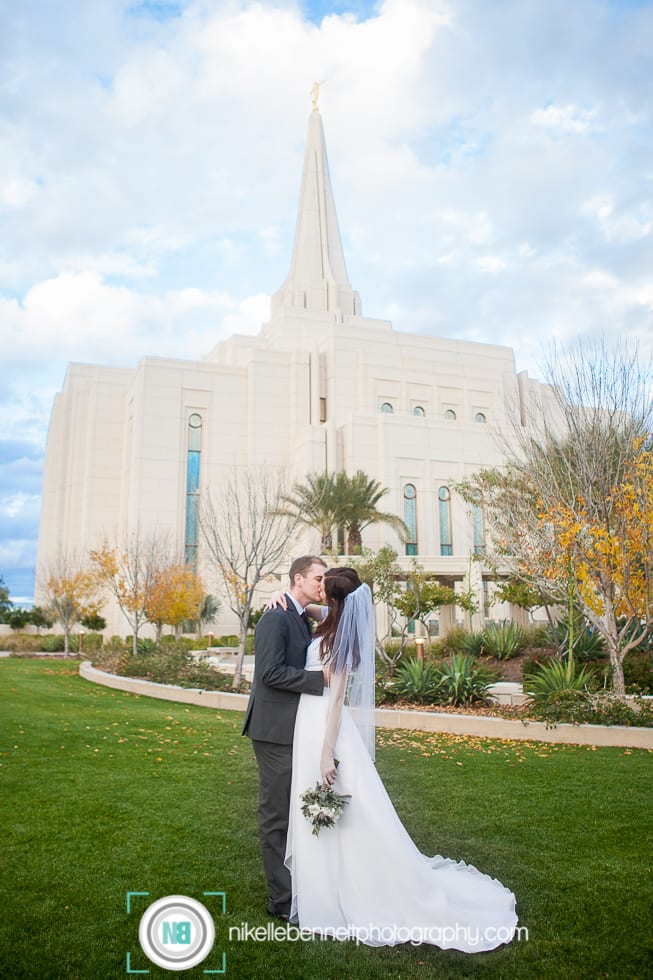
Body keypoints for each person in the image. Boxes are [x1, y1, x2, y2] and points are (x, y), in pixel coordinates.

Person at [283, 566, 518, 951]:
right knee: (330, 811)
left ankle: (351, 892)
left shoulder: (340, 637)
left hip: (325, 729)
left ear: (337, 600)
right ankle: (322, 888)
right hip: (307, 725)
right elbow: (306, 609)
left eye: (325, 589)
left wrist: (327, 752)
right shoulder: (329, 618)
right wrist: (287, 600)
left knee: (346, 813)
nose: (320, 592)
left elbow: (337, 700)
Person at [242, 555, 328, 921]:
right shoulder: (276, 616)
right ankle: (281, 900)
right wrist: (318, 681)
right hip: (272, 729)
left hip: (292, 727)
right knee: (276, 813)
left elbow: (336, 611)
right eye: (318, 579)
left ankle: (297, 884)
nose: (323, 586)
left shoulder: (298, 613)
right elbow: (270, 673)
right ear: (298, 578)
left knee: (293, 810)